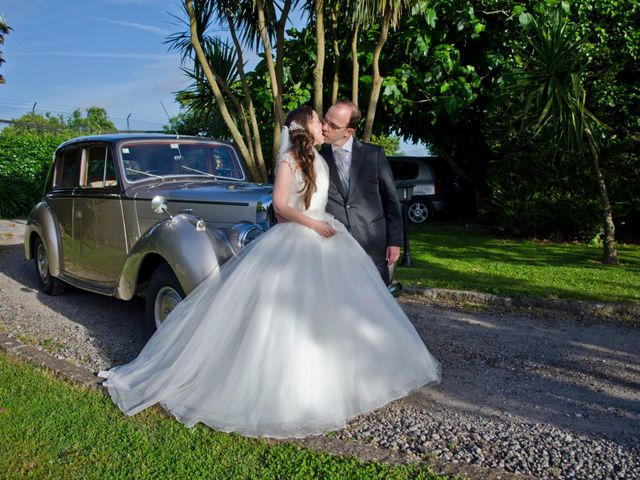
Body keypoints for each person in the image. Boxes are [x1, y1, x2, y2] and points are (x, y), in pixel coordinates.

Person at [98, 106, 441, 439]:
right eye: (316, 121)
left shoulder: (320, 160)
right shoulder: (288, 161)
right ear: (303, 129)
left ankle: (354, 378)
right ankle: (290, 392)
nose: (322, 125)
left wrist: (326, 226)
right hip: (300, 237)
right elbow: (280, 205)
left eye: (326, 122)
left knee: (337, 310)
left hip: (328, 238)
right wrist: (313, 224)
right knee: (286, 317)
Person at [320, 100, 402, 285]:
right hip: (334, 245)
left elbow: (392, 201)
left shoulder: (374, 155)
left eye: (333, 125)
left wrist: (395, 241)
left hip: (372, 242)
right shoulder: (318, 158)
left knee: (377, 300)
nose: (325, 127)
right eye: (325, 120)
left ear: (349, 131)